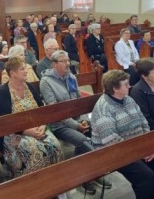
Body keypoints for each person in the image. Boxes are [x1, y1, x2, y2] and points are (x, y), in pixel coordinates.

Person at [91, 70, 154, 199]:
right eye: (125, 84)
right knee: (146, 177)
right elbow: (112, 142)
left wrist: (148, 147)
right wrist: (140, 152)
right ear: (115, 88)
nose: (129, 86)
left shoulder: (128, 99)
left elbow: (144, 122)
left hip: (138, 146)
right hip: (114, 152)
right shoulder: (103, 109)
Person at [41, 50, 108, 194]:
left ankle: (91, 174)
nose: (67, 63)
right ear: (54, 64)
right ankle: (83, 178)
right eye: (63, 61)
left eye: (68, 60)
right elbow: (56, 111)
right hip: (58, 124)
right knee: (83, 141)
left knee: (99, 132)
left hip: (78, 119)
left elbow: (80, 102)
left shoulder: (71, 77)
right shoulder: (46, 82)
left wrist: (84, 120)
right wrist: (76, 126)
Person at [0, 57, 63, 177]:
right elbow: (5, 122)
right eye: (22, 69)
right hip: (14, 134)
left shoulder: (30, 87)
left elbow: (42, 110)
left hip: (37, 128)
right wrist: (25, 131)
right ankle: (35, 185)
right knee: (35, 150)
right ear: (13, 73)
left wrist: (42, 125)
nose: (26, 71)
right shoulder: (3, 92)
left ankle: (55, 181)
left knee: (55, 146)